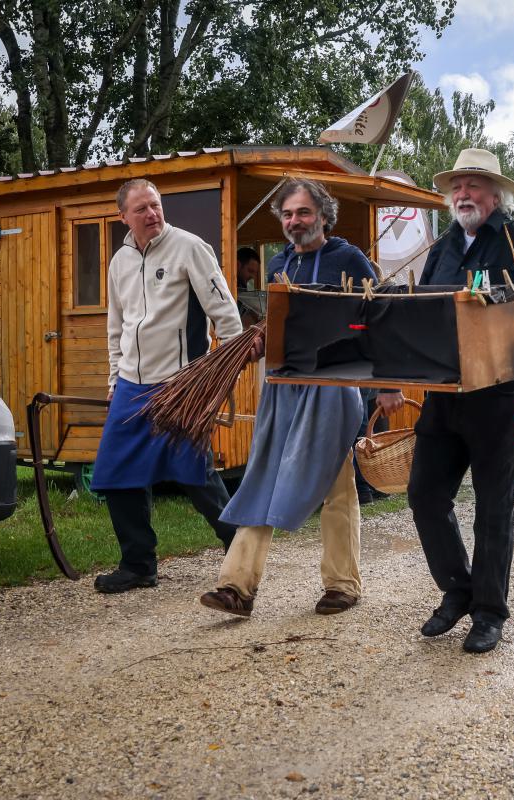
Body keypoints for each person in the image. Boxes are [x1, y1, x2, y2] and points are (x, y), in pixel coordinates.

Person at [394, 148, 514, 654]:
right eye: (457, 186)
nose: (463, 194)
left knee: (493, 507)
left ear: (496, 195)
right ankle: (458, 589)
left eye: (473, 185)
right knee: (425, 495)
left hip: (499, 396)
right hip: (445, 394)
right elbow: (424, 317)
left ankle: (490, 613)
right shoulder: (442, 248)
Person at [199, 178, 391, 617]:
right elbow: (281, 326)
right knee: (264, 474)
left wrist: (388, 384)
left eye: (303, 212)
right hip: (283, 386)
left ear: (323, 215)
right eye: (287, 214)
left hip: (332, 387)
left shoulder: (349, 259)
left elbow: (382, 317)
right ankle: (237, 587)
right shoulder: (279, 264)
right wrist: (260, 342)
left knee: (336, 484)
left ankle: (342, 584)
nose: (294, 221)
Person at [91, 179, 245, 594]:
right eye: (141, 208)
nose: (152, 214)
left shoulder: (190, 248)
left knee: (195, 474)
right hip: (130, 385)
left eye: (156, 205)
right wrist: (114, 379)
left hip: (180, 383)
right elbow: (116, 327)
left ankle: (241, 551)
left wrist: (224, 372)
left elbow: (226, 314)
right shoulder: (119, 261)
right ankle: (138, 564)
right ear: (123, 217)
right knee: (116, 472)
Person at [235, 247, 263, 326]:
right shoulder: (226, 287)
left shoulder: (243, 287)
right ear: (237, 265)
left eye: (254, 273)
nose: (252, 277)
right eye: (250, 271)